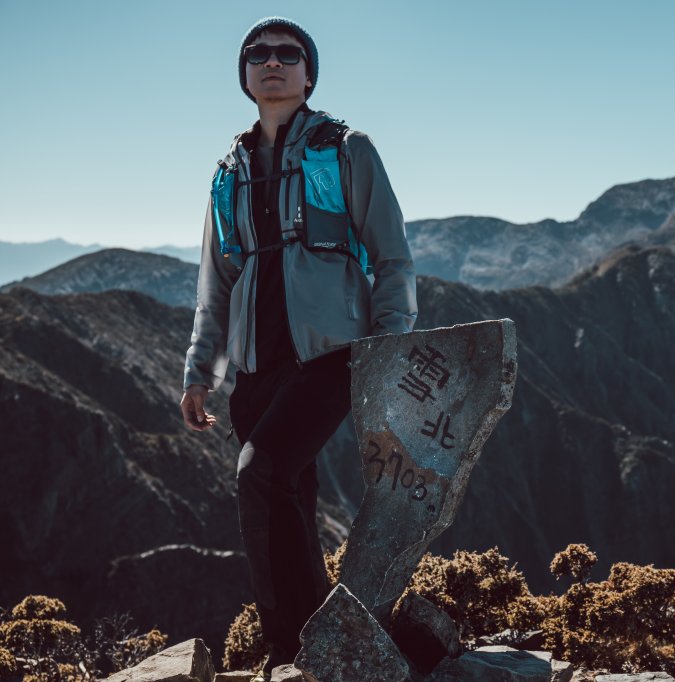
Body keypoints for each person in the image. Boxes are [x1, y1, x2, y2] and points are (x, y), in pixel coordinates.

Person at [179, 16, 417, 679]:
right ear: (245, 75)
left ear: (309, 73)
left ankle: (293, 647)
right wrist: (200, 371)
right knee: (288, 498)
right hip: (254, 367)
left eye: (289, 54)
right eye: (258, 55)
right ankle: (326, 642)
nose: (273, 62)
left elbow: (391, 257)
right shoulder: (228, 170)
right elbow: (216, 282)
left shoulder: (346, 149)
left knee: (259, 474)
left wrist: (389, 349)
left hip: (329, 354)